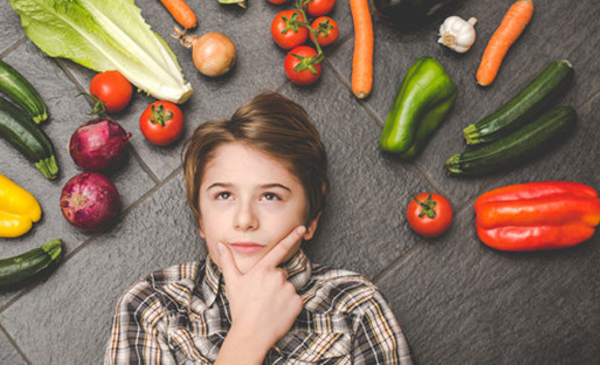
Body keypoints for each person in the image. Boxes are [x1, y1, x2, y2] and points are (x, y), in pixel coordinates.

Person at [105, 91, 411, 364]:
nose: (245, 219)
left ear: (311, 219)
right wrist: (249, 335)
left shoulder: (354, 306)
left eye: (271, 196)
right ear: (201, 219)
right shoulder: (153, 306)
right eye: (224, 195)